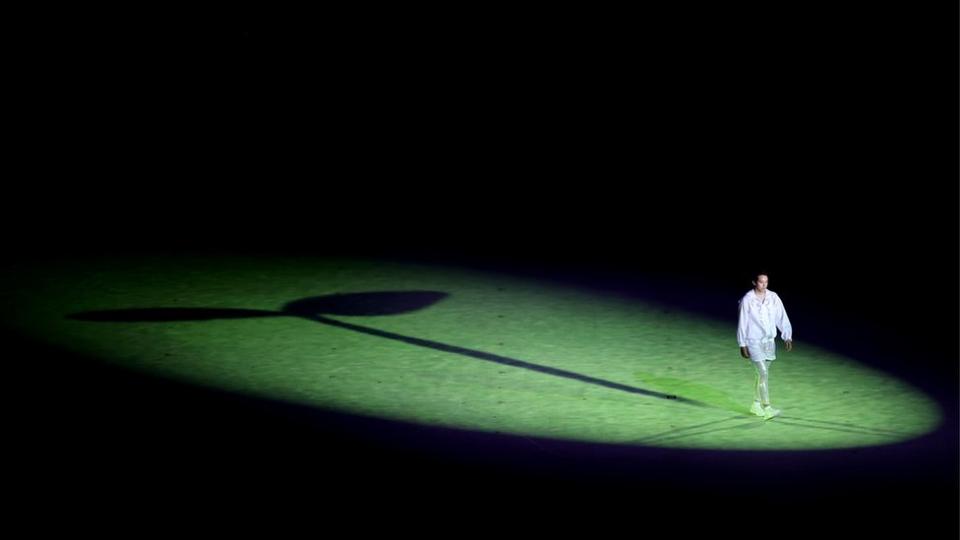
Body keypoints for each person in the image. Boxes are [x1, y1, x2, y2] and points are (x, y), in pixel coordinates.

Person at [737, 272, 792, 419]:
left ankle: (755, 404)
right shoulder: (747, 300)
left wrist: (787, 335)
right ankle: (767, 407)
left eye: (766, 282)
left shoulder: (773, 297)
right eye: (761, 282)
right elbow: (742, 321)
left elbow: (781, 315)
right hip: (753, 341)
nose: (764, 285)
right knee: (763, 373)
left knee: (761, 375)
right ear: (754, 282)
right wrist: (742, 344)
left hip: (769, 342)